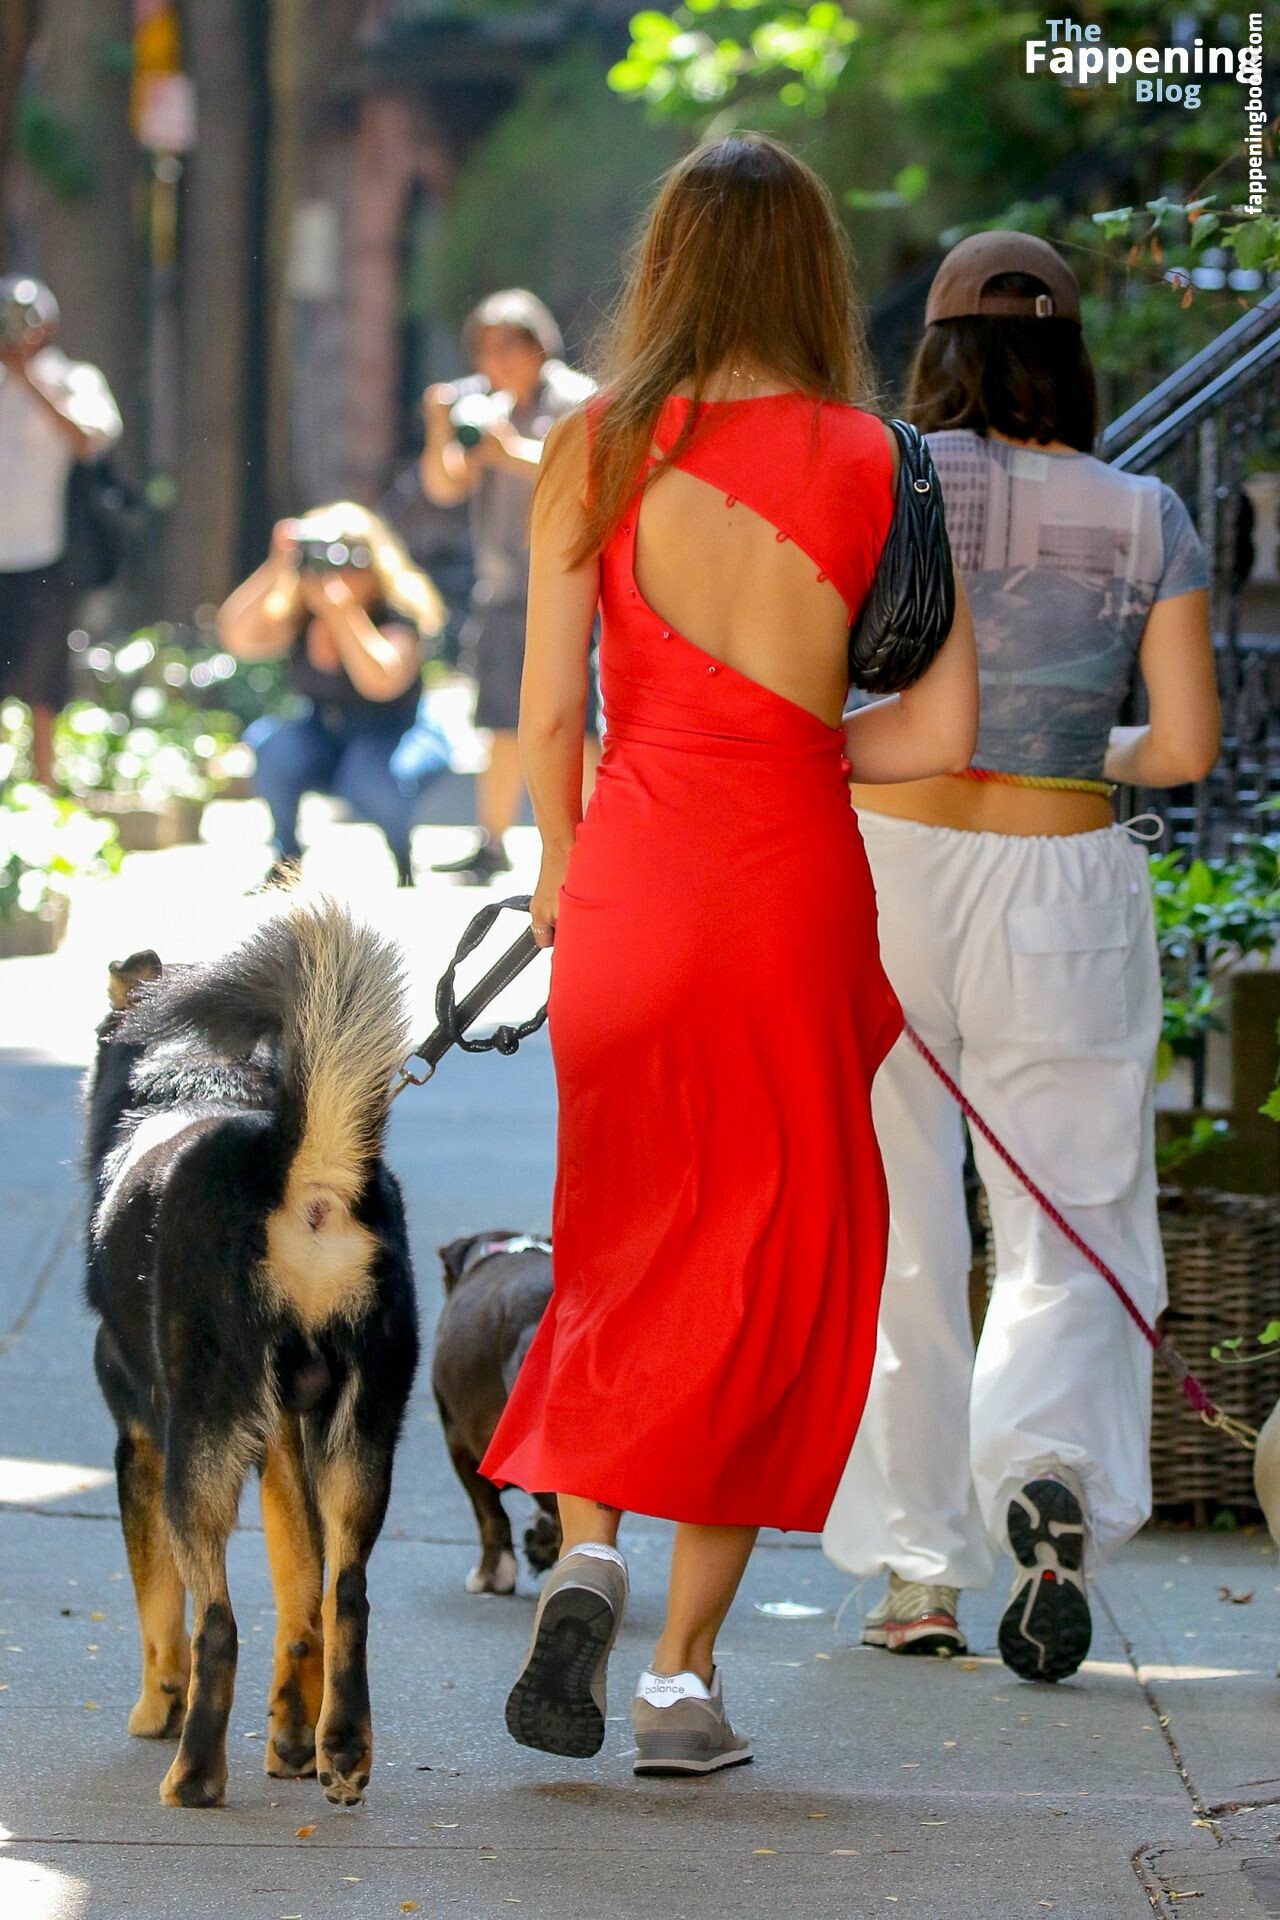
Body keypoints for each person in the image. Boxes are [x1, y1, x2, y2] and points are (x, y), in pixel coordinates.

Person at [477, 131, 978, 1774]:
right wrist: (794, 746)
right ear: (816, 272)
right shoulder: (881, 458)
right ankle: (681, 1684)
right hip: (788, 891)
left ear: (669, 265)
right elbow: (941, 733)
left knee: (615, 1240)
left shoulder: (596, 442)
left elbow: (550, 717)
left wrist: (560, 869)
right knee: (768, 1271)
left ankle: (588, 1548)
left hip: (632, 884)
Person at [821, 232, 1221, 1682]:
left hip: (889, 869)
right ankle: (1043, 1476)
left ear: (935, 349)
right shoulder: (1144, 512)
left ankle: (917, 1568)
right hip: (1063, 881)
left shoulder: (881, 483)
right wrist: (1070, 745)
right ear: (1070, 357)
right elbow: (1183, 747)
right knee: (1069, 1210)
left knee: (898, 1223)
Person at [421, 289, 598, 883]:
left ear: (537, 345)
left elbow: (591, 474)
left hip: (574, 586)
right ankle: (491, 844)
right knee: (499, 719)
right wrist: (439, 430)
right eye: (483, 350)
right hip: (502, 588)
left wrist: (510, 451)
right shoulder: (477, 404)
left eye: (504, 347)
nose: (493, 361)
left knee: (581, 722)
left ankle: (595, 845)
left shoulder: (576, 399)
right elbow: (445, 487)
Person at [217, 502, 447, 887]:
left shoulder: (396, 613)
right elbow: (236, 637)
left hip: (395, 735)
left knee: (370, 777)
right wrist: (278, 565)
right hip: (324, 733)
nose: (334, 575)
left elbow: (382, 681)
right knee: (271, 745)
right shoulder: (301, 613)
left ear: (375, 566)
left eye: (351, 562)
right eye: (320, 561)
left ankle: (401, 852)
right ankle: (286, 858)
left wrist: (344, 615)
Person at [0, 275, 122, 787]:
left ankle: (43, 788)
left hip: (48, 551)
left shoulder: (73, 378)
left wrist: (28, 380)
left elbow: (90, 442)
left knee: (44, 678)